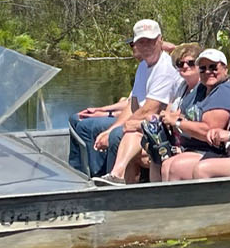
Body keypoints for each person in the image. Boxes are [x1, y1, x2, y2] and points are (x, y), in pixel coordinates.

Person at [75, 19, 186, 177]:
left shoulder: (165, 66)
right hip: (140, 120)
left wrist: (115, 129)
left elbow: (149, 109)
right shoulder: (143, 66)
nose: (146, 46)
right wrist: (112, 127)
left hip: (153, 125)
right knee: (81, 124)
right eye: (141, 42)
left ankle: (114, 180)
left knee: (116, 135)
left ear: (160, 40)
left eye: (151, 41)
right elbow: (132, 106)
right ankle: (88, 176)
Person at [95, 43, 205, 185]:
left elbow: (179, 119)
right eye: (180, 63)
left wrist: (150, 121)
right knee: (132, 134)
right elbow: (166, 114)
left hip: (184, 142)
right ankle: (117, 176)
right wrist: (150, 120)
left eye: (190, 63)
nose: (185, 66)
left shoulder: (203, 90)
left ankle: (136, 188)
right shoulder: (180, 88)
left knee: (130, 140)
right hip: (171, 136)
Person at [154, 48, 230, 181]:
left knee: (176, 167)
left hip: (214, 152)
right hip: (189, 146)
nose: (208, 72)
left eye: (213, 67)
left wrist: (178, 122)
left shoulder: (225, 92)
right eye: (202, 68)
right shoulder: (200, 89)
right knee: (164, 162)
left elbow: (208, 131)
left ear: (224, 68)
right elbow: (182, 114)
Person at [68, 42, 136, 176]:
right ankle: (75, 170)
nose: (135, 47)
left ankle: (95, 175)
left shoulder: (157, 70)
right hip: (124, 114)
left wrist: (108, 114)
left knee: (86, 126)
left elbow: (135, 109)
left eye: (137, 44)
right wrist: (101, 110)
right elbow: (128, 103)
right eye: (132, 45)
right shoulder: (143, 70)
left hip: (131, 119)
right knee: (75, 118)